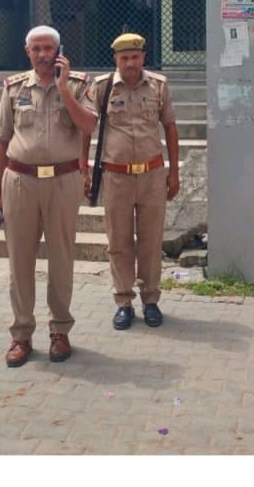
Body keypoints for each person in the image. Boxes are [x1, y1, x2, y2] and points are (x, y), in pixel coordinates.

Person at [0, 25, 97, 367]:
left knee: (61, 259)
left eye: (48, 48)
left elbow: (89, 125)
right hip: (20, 182)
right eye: (36, 49)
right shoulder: (14, 87)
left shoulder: (79, 84)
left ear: (59, 50)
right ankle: (21, 334)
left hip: (63, 182)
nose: (42, 54)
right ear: (27, 52)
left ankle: (60, 331)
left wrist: (64, 89)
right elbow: (1, 140)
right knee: (20, 261)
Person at [83, 32, 180, 330]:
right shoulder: (102, 87)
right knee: (119, 242)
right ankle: (123, 302)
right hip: (116, 176)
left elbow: (170, 127)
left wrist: (173, 172)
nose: (130, 63)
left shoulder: (159, 86)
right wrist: (83, 169)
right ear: (115, 59)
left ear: (143, 57)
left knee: (151, 242)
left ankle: (151, 300)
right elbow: (86, 129)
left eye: (135, 57)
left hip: (152, 175)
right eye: (124, 58)